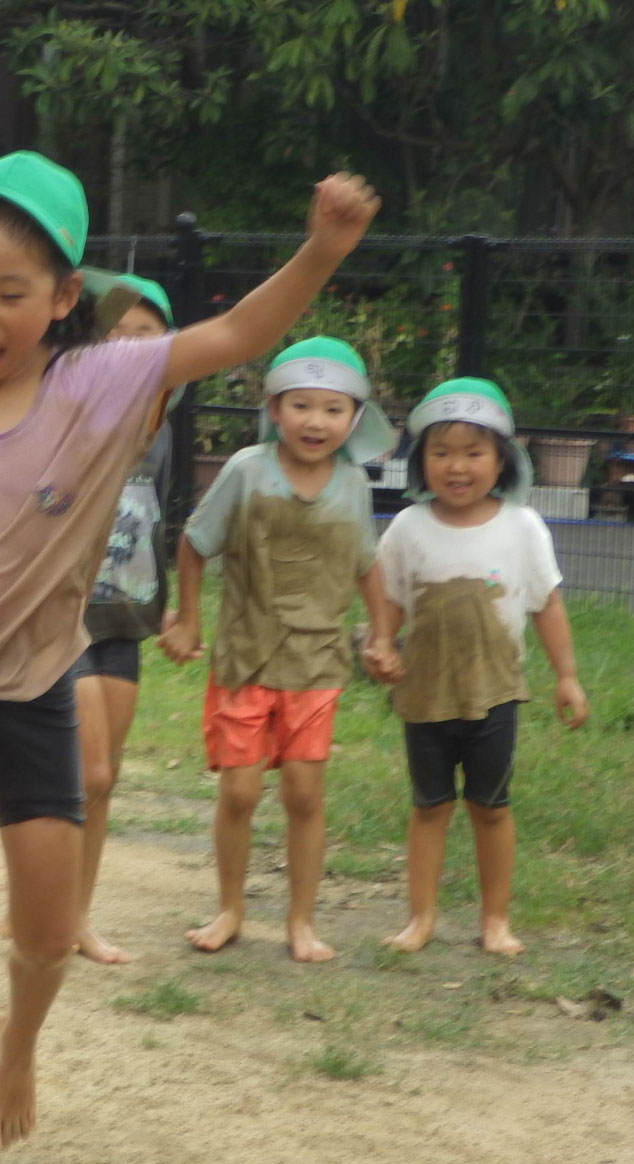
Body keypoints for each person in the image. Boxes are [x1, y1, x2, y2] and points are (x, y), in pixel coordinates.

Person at [0, 151, 378, 1150]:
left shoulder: (107, 382)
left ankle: (14, 1050)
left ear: (60, 297)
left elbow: (235, 334)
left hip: (41, 676)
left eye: (9, 292)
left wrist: (317, 252)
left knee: (45, 939)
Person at [159, 336, 398, 964]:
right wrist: (187, 620)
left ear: (353, 419)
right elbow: (193, 543)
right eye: (301, 405)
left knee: (303, 794)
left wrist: (380, 634)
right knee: (238, 793)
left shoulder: (352, 482)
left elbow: (367, 563)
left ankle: (301, 921)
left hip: (316, 663)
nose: (315, 422)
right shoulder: (245, 470)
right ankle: (230, 909)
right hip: (246, 657)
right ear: (272, 407)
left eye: (332, 409)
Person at [361, 378, 587, 955]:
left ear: (501, 460)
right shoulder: (408, 528)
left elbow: (547, 603)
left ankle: (495, 921)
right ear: (420, 462)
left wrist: (566, 676)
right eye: (440, 452)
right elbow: (386, 598)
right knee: (429, 807)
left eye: (473, 452)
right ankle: (421, 918)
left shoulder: (523, 527)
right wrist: (383, 643)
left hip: (495, 695)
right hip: (425, 696)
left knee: (490, 808)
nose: (456, 466)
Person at [65, 274, 176, 965]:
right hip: (63, 620)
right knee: (85, 768)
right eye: (119, 336)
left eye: (149, 338)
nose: (133, 350)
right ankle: (47, 909)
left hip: (125, 621)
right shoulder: (67, 412)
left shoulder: (162, 426)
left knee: (103, 779)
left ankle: (74, 915)